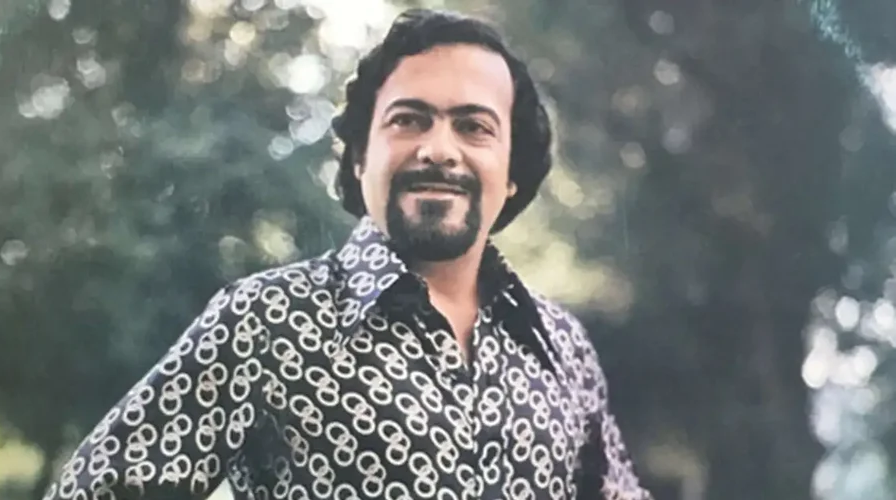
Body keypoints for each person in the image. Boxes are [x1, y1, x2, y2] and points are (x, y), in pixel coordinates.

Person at [43, 8, 652, 500]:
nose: (439, 149)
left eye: (474, 126)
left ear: (512, 173)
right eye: (409, 120)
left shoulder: (561, 347)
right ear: (360, 157)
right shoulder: (265, 321)